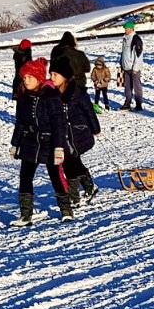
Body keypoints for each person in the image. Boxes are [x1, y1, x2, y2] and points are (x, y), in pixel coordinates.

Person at [11, 59, 68, 224]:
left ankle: (66, 209)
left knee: (55, 175)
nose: (26, 80)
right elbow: (20, 123)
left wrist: (59, 147)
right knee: (25, 177)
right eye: (24, 77)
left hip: (49, 142)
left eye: (30, 77)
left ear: (38, 78)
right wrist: (15, 144)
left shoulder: (51, 96)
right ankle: (25, 215)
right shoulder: (23, 97)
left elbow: (59, 123)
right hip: (29, 142)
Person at [51, 59, 101, 206]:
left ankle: (74, 197)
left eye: (55, 74)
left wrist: (95, 129)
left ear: (65, 76)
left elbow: (89, 112)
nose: (52, 77)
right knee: (73, 162)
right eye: (51, 74)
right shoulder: (51, 93)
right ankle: (89, 186)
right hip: (62, 137)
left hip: (78, 134)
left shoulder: (78, 92)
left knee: (70, 164)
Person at [119, 21, 145, 111]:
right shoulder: (125, 38)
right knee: (127, 87)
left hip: (134, 69)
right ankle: (127, 102)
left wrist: (136, 68)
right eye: (125, 29)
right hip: (126, 67)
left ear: (131, 29)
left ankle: (138, 104)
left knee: (137, 87)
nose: (125, 30)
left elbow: (138, 55)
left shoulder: (136, 39)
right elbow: (123, 53)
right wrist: (121, 63)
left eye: (126, 29)